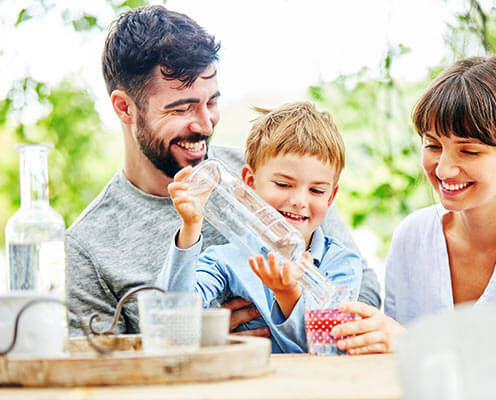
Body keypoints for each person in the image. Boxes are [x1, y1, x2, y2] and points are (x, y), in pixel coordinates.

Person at [65, 5, 380, 336]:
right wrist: (204, 337)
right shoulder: (87, 247)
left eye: (211, 103)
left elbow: (365, 293)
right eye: (183, 107)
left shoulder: (276, 179)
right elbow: (98, 372)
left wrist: (281, 321)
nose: (205, 124)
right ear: (124, 107)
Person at [330, 56, 496, 354]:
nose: (444, 169)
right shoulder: (412, 237)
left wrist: (413, 344)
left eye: (468, 151)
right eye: (433, 146)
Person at [156, 102, 362, 352]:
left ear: (330, 197)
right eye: (283, 184)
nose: (298, 201)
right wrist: (190, 226)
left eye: (316, 190)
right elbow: (171, 318)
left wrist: (287, 294)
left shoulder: (341, 264)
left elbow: (332, 350)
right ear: (249, 184)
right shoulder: (226, 260)